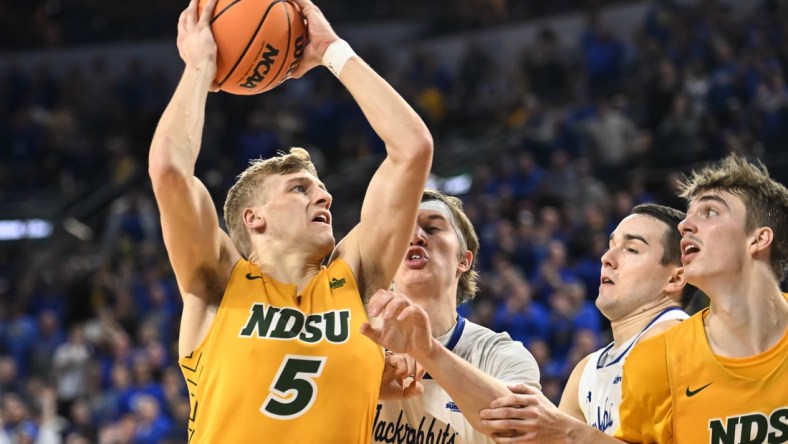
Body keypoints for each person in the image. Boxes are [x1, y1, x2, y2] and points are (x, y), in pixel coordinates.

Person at [147, 0, 433, 441]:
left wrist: (331, 50)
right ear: (254, 218)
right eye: (300, 188)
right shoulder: (219, 284)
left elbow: (412, 149)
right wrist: (201, 66)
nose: (324, 195)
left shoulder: (354, 278)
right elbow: (168, 170)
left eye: (319, 188)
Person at [480, 154, 788, 443]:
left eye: (710, 211)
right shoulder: (653, 361)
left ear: (758, 238)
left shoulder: (660, 340)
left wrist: (567, 432)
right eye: (689, 215)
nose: (685, 225)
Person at [476, 203, 695, 442]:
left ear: (675, 278)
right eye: (611, 246)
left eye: (631, 249)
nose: (607, 258)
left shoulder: (683, 345)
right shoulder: (587, 370)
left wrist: (569, 432)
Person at [362, 189, 541, 444]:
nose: (416, 237)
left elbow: (525, 431)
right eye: (404, 230)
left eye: (432, 228)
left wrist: (427, 351)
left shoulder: (499, 354)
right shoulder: (358, 342)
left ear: (463, 260)